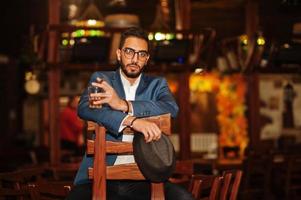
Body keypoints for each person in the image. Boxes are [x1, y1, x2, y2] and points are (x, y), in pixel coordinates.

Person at [67, 27, 194, 200]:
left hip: (146, 178)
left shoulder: (157, 85)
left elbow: (172, 108)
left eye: (141, 54)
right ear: (119, 54)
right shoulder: (102, 79)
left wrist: (123, 104)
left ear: (147, 59)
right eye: (129, 52)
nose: (135, 59)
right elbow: (85, 108)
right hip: (100, 175)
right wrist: (132, 121)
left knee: (184, 198)